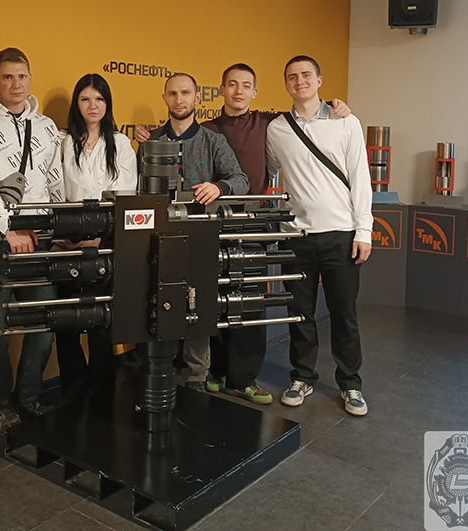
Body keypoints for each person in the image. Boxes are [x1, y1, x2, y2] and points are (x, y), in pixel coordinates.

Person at [136, 64, 351, 405]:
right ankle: (214, 372)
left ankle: (244, 378)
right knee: (210, 301)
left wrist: (336, 106)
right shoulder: (200, 129)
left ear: (255, 91)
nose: (238, 91)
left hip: (251, 225)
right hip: (206, 229)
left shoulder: (272, 123)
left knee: (250, 303)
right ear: (219, 90)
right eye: (232, 84)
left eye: (246, 85)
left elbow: (305, 111)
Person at [266, 55, 372, 416]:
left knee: (344, 313)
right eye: (292, 77)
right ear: (286, 84)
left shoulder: (346, 122)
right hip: (295, 234)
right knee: (299, 313)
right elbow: (267, 169)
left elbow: (360, 177)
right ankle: (302, 377)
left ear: (319, 80)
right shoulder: (276, 129)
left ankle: (351, 383)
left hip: (341, 233)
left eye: (306, 75)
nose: (300, 81)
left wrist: (365, 230)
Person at [0, 47, 64, 434]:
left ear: (30, 78)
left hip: (40, 240)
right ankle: (0, 404)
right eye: (7, 77)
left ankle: (29, 396)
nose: (16, 84)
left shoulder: (46, 127)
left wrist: (56, 232)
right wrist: (8, 228)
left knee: (43, 326)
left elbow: (55, 182)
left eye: (22, 76)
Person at [143, 72, 249, 393]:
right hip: (157, 239)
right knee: (157, 302)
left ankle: (196, 377)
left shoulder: (213, 141)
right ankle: (159, 369)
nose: (179, 99)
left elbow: (241, 180)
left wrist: (219, 187)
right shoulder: (150, 142)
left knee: (197, 303)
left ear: (197, 97)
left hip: (200, 237)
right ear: (165, 98)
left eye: (185, 93)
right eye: (173, 93)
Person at [53, 73, 138, 399]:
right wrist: (63, 236)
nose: (93, 105)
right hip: (67, 242)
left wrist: (99, 238)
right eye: (85, 99)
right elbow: (55, 191)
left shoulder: (121, 144)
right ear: (77, 103)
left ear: (108, 103)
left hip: (106, 244)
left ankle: (102, 389)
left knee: (101, 320)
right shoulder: (62, 142)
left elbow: (125, 197)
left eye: (99, 99)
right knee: (67, 321)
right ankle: (73, 391)